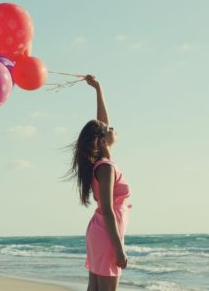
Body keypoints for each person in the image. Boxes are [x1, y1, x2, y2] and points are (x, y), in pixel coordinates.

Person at [61, 75, 132, 291]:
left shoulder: (100, 163)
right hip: (106, 233)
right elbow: (109, 210)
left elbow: (102, 124)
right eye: (108, 130)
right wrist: (119, 249)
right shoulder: (105, 167)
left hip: (99, 232)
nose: (112, 129)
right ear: (101, 141)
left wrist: (98, 89)